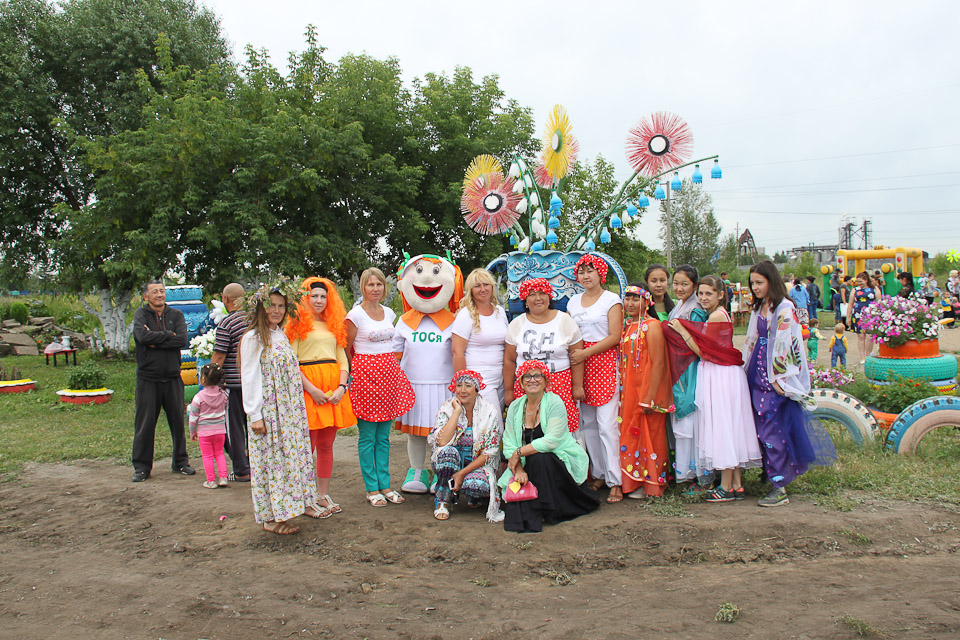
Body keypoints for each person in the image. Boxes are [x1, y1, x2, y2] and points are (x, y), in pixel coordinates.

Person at [743, 261, 836, 507]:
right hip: (757, 372)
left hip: (774, 376)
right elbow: (752, 339)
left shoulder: (784, 308)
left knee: (772, 429)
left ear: (771, 281)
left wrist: (778, 379)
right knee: (759, 426)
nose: (755, 287)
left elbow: (786, 344)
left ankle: (779, 485)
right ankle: (770, 473)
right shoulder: (760, 306)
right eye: (752, 283)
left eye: (759, 282)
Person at [665, 275, 762, 502]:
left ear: (720, 295)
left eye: (709, 294)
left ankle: (726, 487)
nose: (703, 298)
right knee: (730, 427)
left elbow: (703, 351)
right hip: (722, 373)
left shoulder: (717, 316)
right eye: (701, 293)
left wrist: (682, 330)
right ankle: (736, 484)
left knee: (722, 427)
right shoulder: (717, 314)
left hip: (720, 375)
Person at [240, 284, 326, 535]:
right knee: (271, 460)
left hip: (288, 410)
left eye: (281, 306)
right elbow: (250, 376)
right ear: (261, 307)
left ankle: (288, 508)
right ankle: (270, 518)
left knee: (288, 459)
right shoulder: (253, 338)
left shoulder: (279, 334)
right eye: (271, 305)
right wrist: (254, 414)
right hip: (269, 410)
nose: (276, 310)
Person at [498, 360, 600, 533]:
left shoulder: (555, 402)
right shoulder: (515, 407)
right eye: (527, 376)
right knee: (532, 463)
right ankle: (536, 508)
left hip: (556, 463)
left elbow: (551, 441)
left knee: (540, 458)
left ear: (546, 381)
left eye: (538, 376)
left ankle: (547, 509)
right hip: (527, 464)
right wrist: (519, 469)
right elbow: (509, 443)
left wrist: (519, 452)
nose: (532, 380)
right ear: (521, 382)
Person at [286, 277, 356, 517]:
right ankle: (305, 498)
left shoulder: (333, 324)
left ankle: (322, 494)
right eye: (313, 296)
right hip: (309, 390)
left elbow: (342, 358)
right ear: (305, 298)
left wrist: (342, 387)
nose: (318, 300)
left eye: (323, 296)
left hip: (333, 390)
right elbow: (292, 363)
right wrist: (311, 390)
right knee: (309, 445)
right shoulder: (296, 324)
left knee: (327, 444)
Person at [392, 254, 463, 493]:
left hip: (444, 386)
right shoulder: (403, 321)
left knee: (442, 431)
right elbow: (394, 356)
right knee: (415, 433)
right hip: (412, 385)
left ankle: (439, 470)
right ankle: (417, 470)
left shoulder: (454, 321)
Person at [345, 268, 416, 507]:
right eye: (370, 284)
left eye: (379, 284)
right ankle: (371, 487)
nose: (375, 289)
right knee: (368, 436)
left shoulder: (389, 313)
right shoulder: (355, 315)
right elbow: (346, 347)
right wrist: (354, 373)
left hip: (388, 377)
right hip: (365, 378)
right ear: (363, 287)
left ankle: (385, 485)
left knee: (384, 437)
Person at [567, 254, 623, 502]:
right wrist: (578, 357)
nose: (586, 276)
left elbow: (614, 336)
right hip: (581, 366)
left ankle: (616, 479)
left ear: (601, 274)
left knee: (607, 425)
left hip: (604, 363)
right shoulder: (573, 302)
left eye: (590, 271)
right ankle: (598, 473)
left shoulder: (611, 300)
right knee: (588, 424)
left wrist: (585, 353)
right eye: (581, 272)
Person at [503, 278, 585, 433]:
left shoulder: (565, 321)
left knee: (560, 431)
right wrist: (508, 391)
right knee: (530, 429)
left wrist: (577, 386)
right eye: (532, 294)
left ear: (549, 297)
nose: (538, 298)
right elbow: (509, 360)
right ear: (525, 300)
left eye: (542, 293)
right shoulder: (516, 324)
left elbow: (577, 357)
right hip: (527, 386)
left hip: (560, 385)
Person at [131, 280, 194, 482]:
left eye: (162, 291)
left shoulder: (176, 315)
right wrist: (168, 336)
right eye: (154, 292)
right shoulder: (141, 315)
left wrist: (156, 340)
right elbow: (142, 337)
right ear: (145, 296)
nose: (159, 295)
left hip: (173, 377)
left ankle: (180, 462)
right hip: (148, 379)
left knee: (177, 422)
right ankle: (141, 467)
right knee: (145, 424)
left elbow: (181, 340)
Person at [618, 282, 673, 499]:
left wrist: (650, 397)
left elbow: (659, 363)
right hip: (629, 389)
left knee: (651, 434)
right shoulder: (626, 326)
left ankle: (652, 482)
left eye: (636, 299)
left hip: (647, 390)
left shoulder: (652, 326)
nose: (630, 303)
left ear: (647, 301)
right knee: (631, 433)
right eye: (628, 298)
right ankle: (634, 481)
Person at [428, 370, 503, 522]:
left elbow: (490, 452)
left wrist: (462, 474)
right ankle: (442, 500)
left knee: (477, 486)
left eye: (468, 386)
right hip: (451, 460)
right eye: (459, 385)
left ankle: (472, 495)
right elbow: (442, 442)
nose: (462, 390)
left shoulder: (489, 410)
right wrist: (456, 412)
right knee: (448, 453)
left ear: (477, 389)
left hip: (476, 462)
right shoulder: (447, 408)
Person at [664, 264, 711, 491]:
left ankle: (697, 474)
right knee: (681, 417)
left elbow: (699, 344)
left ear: (694, 285)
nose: (679, 288)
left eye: (685, 284)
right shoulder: (679, 306)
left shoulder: (696, 309)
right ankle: (684, 472)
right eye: (676, 283)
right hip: (676, 365)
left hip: (689, 367)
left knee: (690, 417)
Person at [451, 268, 509, 422]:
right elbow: (457, 352)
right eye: (477, 286)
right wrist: (463, 385)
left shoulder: (500, 312)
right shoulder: (465, 315)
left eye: (486, 284)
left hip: (501, 379)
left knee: (488, 425)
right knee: (494, 425)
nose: (483, 289)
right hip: (480, 380)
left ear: (492, 286)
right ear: (471, 290)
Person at [211, 282, 250, 482]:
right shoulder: (254, 320)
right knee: (253, 426)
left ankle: (242, 470)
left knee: (233, 428)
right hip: (253, 385)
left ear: (225, 299)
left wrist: (209, 379)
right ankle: (257, 465)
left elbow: (219, 356)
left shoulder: (226, 324)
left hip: (233, 385)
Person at [188, 363, 230, 489]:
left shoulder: (198, 398)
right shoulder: (223, 395)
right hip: (220, 431)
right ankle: (223, 478)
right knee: (220, 453)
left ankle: (211, 481)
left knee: (207, 456)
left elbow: (193, 418)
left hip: (204, 433)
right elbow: (225, 409)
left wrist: (192, 432)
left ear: (203, 379)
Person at [847, 271, 878, 365]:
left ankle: (868, 355)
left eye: (861, 281)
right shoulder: (855, 290)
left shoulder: (874, 289)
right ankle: (862, 357)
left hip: (870, 315)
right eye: (857, 282)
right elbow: (850, 304)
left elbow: (879, 302)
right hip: (858, 314)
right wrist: (848, 317)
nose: (859, 283)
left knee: (869, 336)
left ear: (866, 280)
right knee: (860, 336)